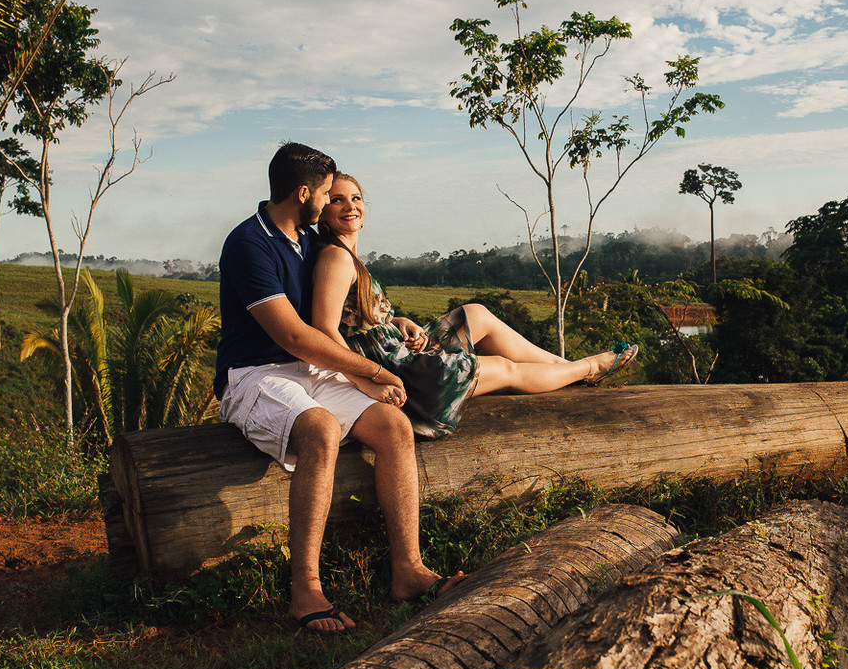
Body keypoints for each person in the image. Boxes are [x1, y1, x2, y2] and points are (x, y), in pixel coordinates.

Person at [215, 142, 463, 634]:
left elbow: (339, 307)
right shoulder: (248, 243)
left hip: (309, 368)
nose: (331, 202)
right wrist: (370, 372)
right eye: (327, 193)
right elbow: (292, 335)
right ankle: (305, 587)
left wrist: (394, 322)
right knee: (322, 430)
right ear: (302, 193)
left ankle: (408, 570)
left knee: (394, 426)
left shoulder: (306, 240)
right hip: (255, 374)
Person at [310, 173, 639, 438]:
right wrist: (366, 382)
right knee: (503, 368)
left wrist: (399, 321)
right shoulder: (336, 258)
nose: (350, 206)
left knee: (475, 314)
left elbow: (354, 318)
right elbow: (324, 330)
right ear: (322, 211)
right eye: (336, 199)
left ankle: (564, 368)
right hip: (401, 375)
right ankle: (590, 368)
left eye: (355, 198)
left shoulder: (346, 256)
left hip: (397, 351)